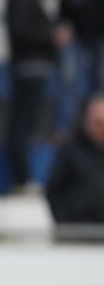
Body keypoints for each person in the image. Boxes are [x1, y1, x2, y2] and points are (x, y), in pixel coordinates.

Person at [5, 0, 57, 191]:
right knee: (24, 123)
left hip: (32, 65)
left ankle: (23, 177)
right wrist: (51, 37)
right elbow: (21, 30)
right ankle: (22, 179)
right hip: (30, 66)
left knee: (26, 122)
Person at [48, 0, 104, 133]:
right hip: (71, 29)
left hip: (100, 29)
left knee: (100, 82)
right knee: (68, 79)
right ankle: (66, 129)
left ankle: (98, 129)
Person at [46, 94, 104, 224]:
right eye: (93, 120)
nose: (96, 126)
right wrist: (64, 222)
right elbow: (53, 190)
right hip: (75, 231)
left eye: (100, 123)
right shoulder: (70, 150)